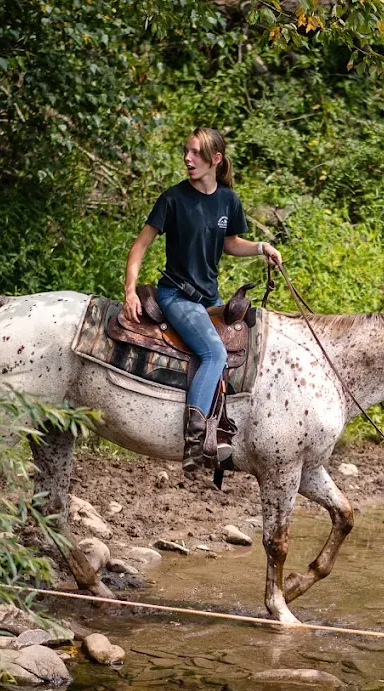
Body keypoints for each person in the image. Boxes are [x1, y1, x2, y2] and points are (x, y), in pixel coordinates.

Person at [123, 127, 282, 473]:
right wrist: (130, 291)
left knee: (238, 351)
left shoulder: (228, 200)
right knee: (214, 353)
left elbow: (230, 243)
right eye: (186, 152)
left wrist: (260, 248)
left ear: (216, 159)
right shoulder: (172, 198)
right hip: (176, 296)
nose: (188, 158)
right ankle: (195, 442)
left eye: (195, 153)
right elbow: (140, 247)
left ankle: (220, 432)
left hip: (211, 299)